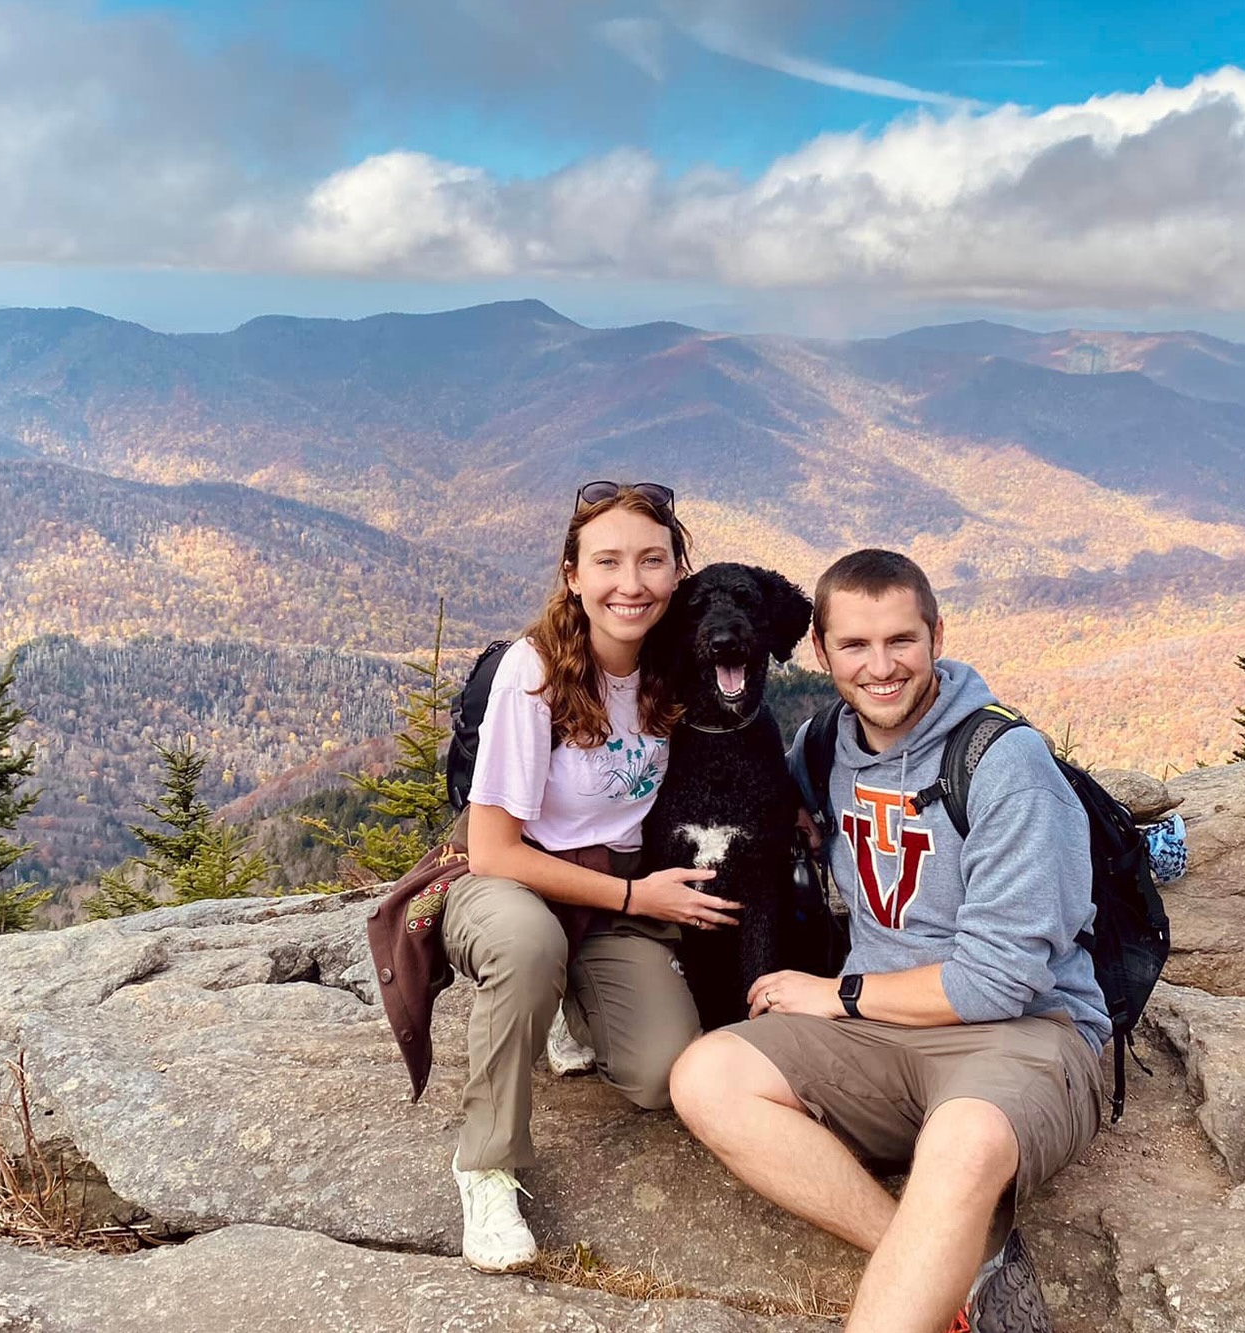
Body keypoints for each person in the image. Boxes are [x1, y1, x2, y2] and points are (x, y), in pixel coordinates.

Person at [668, 549, 1108, 1333]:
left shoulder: (1005, 764)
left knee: (964, 1141)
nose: (880, 668)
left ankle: (919, 1277)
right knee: (706, 1075)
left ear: (937, 635)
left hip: (1020, 1033)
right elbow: (776, 799)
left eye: (901, 640)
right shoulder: (828, 741)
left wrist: (835, 992)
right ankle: (957, 1270)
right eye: (855, 646)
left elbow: (997, 982)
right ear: (821, 650)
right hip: (877, 1037)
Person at [443, 480, 743, 1273]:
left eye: (652, 560)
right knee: (528, 945)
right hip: (512, 884)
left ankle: (574, 997)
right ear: (573, 573)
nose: (631, 582)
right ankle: (486, 1166)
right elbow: (494, 851)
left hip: (609, 899)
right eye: (607, 561)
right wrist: (637, 897)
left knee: (659, 1075)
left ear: (679, 571)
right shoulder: (532, 673)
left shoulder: (673, 670)